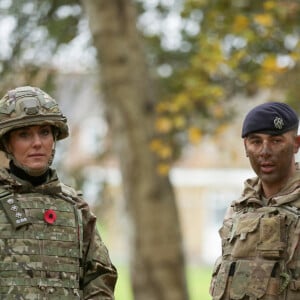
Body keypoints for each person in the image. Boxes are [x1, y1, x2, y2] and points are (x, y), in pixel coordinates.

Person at [0, 86, 117, 299]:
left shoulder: (74, 207)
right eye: (24, 135)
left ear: (54, 138)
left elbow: (99, 277)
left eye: (44, 133)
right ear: (8, 143)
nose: (37, 143)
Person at [210, 101, 300, 300]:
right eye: (256, 141)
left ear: (296, 144)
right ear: (245, 146)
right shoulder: (237, 211)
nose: (265, 151)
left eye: (276, 141)